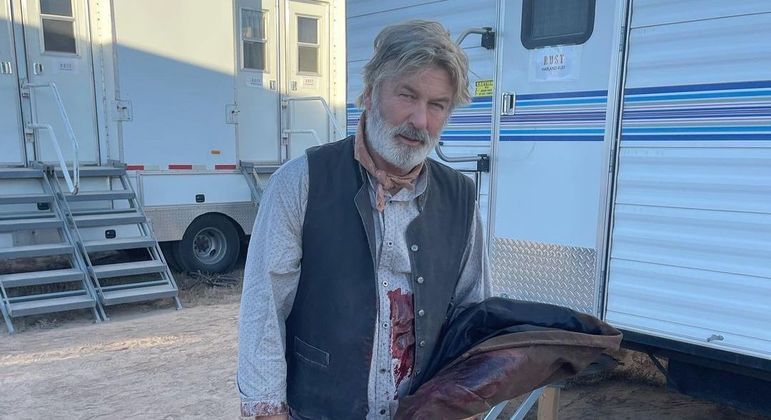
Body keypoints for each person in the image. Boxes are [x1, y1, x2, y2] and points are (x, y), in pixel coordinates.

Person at [237, 20, 490, 420]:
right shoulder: (301, 182)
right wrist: (267, 410)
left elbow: (473, 313)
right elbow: (263, 310)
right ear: (370, 93)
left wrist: (465, 401)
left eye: (437, 105)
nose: (420, 120)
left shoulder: (460, 198)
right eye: (407, 95)